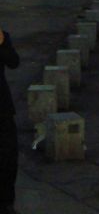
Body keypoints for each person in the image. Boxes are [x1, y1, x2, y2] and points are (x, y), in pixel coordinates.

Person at [0, 26, 20, 214]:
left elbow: (14, 62)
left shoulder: (3, 36)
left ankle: (7, 202)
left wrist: (1, 44)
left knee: (9, 155)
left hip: (2, 107)